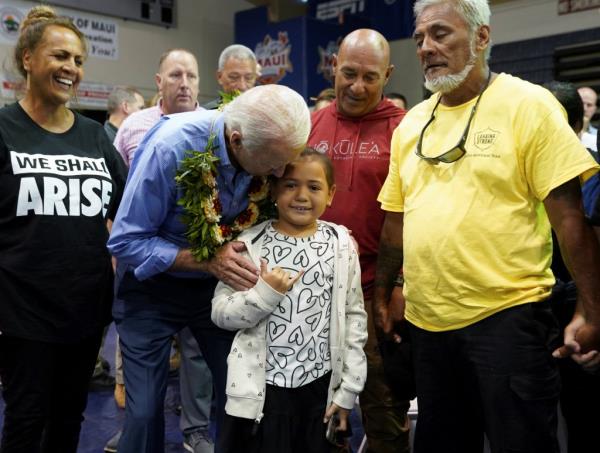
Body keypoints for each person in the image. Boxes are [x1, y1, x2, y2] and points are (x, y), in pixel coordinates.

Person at [373, 1, 600, 453]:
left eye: (441, 34)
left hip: (508, 323)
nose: (426, 48)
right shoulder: (411, 124)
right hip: (429, 328)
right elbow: (396, 222)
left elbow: (570, 220)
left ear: (481, 37)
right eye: (420, 39)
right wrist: (382, 293)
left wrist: (592, 311)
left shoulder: (529, 105)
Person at [107, 83, 311, 453]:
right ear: (236, 140)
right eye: (273, 163)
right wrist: (206, 260)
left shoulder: (261, 147)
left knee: (244, 392)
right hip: (150, 287)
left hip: (213, 289)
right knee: (144, 413)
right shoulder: (170, 147)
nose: (280, 171)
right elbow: (125, 242)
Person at [0, 5, 126, 452]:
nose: (70, 68)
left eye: (77, 60)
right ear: (28, 59)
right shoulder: (4, 129)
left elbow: (129, 210)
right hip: (20, 312)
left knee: (69, 418)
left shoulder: (95, 138)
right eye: (59, 57)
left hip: (85, 309)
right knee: (26, 419)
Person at [211, 148, 367, 453]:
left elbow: (354, 317)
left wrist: (347, 390)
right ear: (272, 190)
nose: (301, 196)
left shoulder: (341, 245)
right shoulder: (249, 245)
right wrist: (263, 295)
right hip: (260, 394)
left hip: (319, 391)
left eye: (314, 186)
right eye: (290, 184)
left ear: (331, 194)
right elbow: (221, 313)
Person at [106, 48, 214, 453]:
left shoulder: (215, 128)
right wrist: (118, 245)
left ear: (200, 82)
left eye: (190, 75)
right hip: (141, 266)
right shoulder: (134, 127)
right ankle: (137, 428)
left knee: (198, 358)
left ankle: (196, 429)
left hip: (199, 269)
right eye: (175, 75)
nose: (183, 83)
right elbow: (114, 191)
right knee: (140, 368)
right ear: (159, 81)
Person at [308, 28, 410, 453]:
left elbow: (418, 214)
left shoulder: (405, 129)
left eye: (370, 77)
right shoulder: (309, 124)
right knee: (317, 410)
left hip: (375, 294)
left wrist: (401, 283)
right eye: (348, 73)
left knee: (384, 411)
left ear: (387, 75)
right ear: (334, 66)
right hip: (311, 292)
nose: (357, 86)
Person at [545, 80, 600, 453]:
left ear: (578, 125)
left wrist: (591, 315)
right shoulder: (513, 178)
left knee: (583, 416)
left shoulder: (592, 178)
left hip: (577, 307)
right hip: (527, 310)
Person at [202, 44, 258, 110]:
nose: (242, 86)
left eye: (248, 78)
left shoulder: (265, 114)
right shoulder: (205, 114)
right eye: (234, 77)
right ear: (219, 77)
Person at [578, 86, 598, 152]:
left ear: (595, 109)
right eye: (581, 103)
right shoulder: (559, 131)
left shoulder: (597, 136)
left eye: (589, 105)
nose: (584, 109)